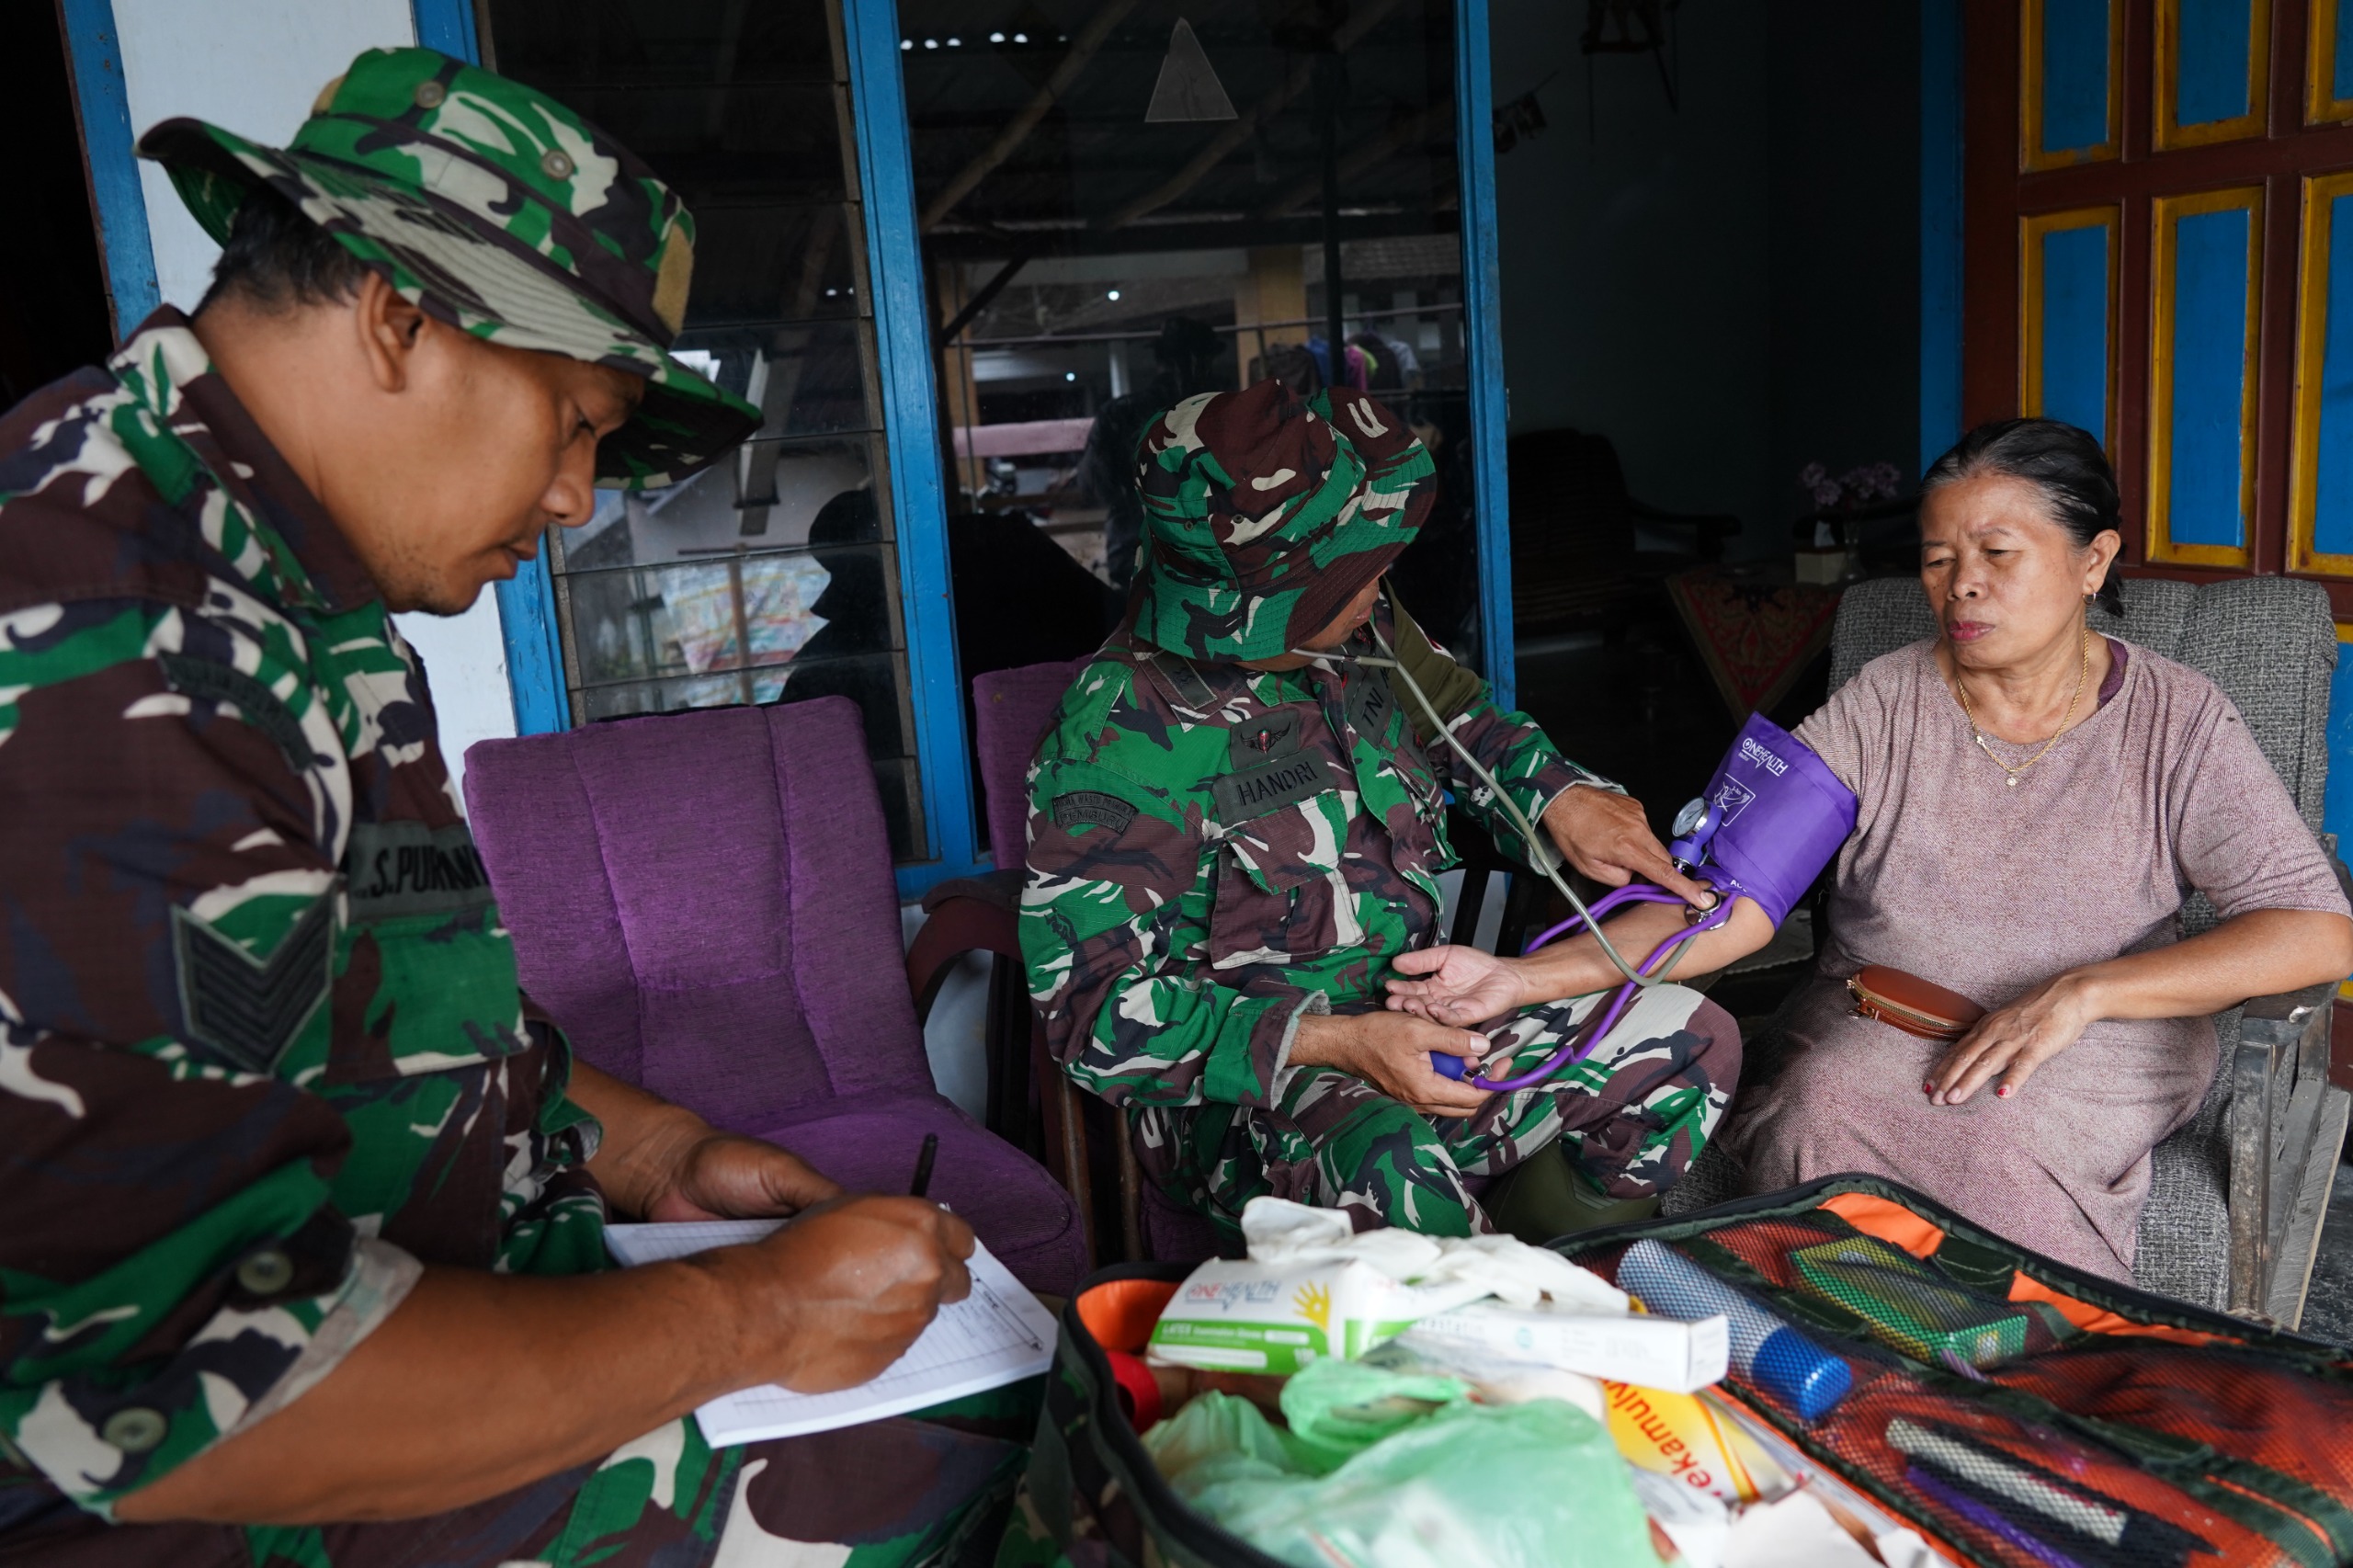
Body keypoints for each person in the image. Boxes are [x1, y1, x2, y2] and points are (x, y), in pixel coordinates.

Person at [0, 48, 1013, 1565]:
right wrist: (758, 1312)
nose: (573, 501)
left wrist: (659, 1153)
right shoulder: (109, 633)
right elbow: (179, 1393)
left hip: (461, 1315)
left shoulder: (287, 590)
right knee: (963, 1477)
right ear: (401, 316)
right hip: (264, 1498)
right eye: (579, 421)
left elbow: (410, 1007)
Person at [1386, 418, 2353, 1281]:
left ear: (2093, 560)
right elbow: (1729, 900)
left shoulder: (2177, 721)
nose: (1960, 583)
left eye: (1996, 552)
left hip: (2095, 1039)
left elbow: (2316, 928)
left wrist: (2085, 990)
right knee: (1823, 1105)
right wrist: (1524, 978)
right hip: (1878, 1014)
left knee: (2006, 1127)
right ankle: (1839, 1387)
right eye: (1936, 558)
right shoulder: (1884, 702)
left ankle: (2021, 1395)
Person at [1019, 378, 1740, 1244]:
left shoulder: (1358, 623)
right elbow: (1093, 1014)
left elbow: (1463, 721)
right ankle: (1483, 1338)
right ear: (1271, 600)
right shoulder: (1117, 736)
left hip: (1429, 1010)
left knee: (1689, 1040)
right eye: (1354, 575)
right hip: (1256, 1085)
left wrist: (1561, 794)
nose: (1381, 584)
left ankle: (1546, 1274)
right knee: (1387, 1156)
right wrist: (1340, 1044)